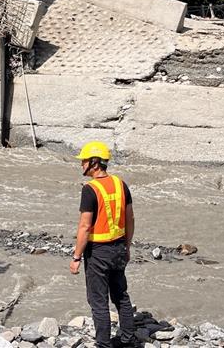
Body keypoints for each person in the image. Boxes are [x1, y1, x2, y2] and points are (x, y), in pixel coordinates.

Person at [69, 141, 136, 348]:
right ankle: (128, 340)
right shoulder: (120, 184)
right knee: (120, 296)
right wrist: (127, 246)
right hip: (119, 248)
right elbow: (130, 219)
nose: (81, 165)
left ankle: (103, 344)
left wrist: (76, 257)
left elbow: (85, 227)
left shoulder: (90, 189)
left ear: (94, 162)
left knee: (98, 301)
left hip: (98, 252)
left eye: (84, 161)